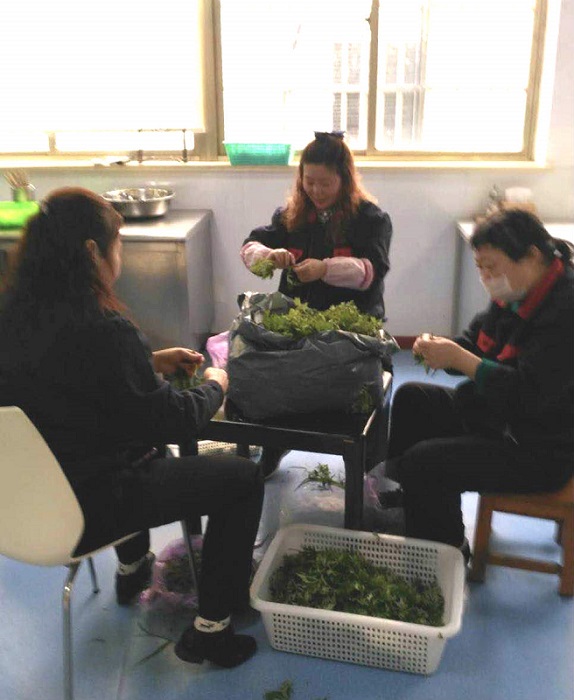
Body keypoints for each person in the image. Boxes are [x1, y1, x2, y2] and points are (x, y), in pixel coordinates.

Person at [0, 187, 264, 669]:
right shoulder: (104, 328)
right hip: (91, 505)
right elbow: (174, 420)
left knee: (121, 434)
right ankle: (212, 630)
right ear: (92, 252)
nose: (118, 255)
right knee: (242, 480)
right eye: (117, 244)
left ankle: (132, 568)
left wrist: (149, 362)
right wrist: (216, 384)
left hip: (19, 508)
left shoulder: (12, 316)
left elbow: (68, 382)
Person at [383, 209, 574, 560]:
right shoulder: (516, 291)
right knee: (412, 398)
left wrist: (462, 361)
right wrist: (442, 350)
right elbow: (477, 344)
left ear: (533, 256)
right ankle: (411, 499)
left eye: (492, 267)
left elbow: (528, 395)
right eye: (480, 267)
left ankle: (446, 554)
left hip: (539, 447)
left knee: (425, 463)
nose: (486, 277)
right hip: (499, 416)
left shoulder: (564, 309)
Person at [240, 131, 393, 475]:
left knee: (369, 389)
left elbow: (372, 271)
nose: (316, 190)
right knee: (275, 375)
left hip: (352, 330)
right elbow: (251, 245)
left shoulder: (370, 220)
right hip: (299, 322)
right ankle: (275, 445)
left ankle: (369, 466)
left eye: (325, 183)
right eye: (309, 181)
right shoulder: (292, 215)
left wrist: (325, 269)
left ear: (345, 179)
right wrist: (269, 255)